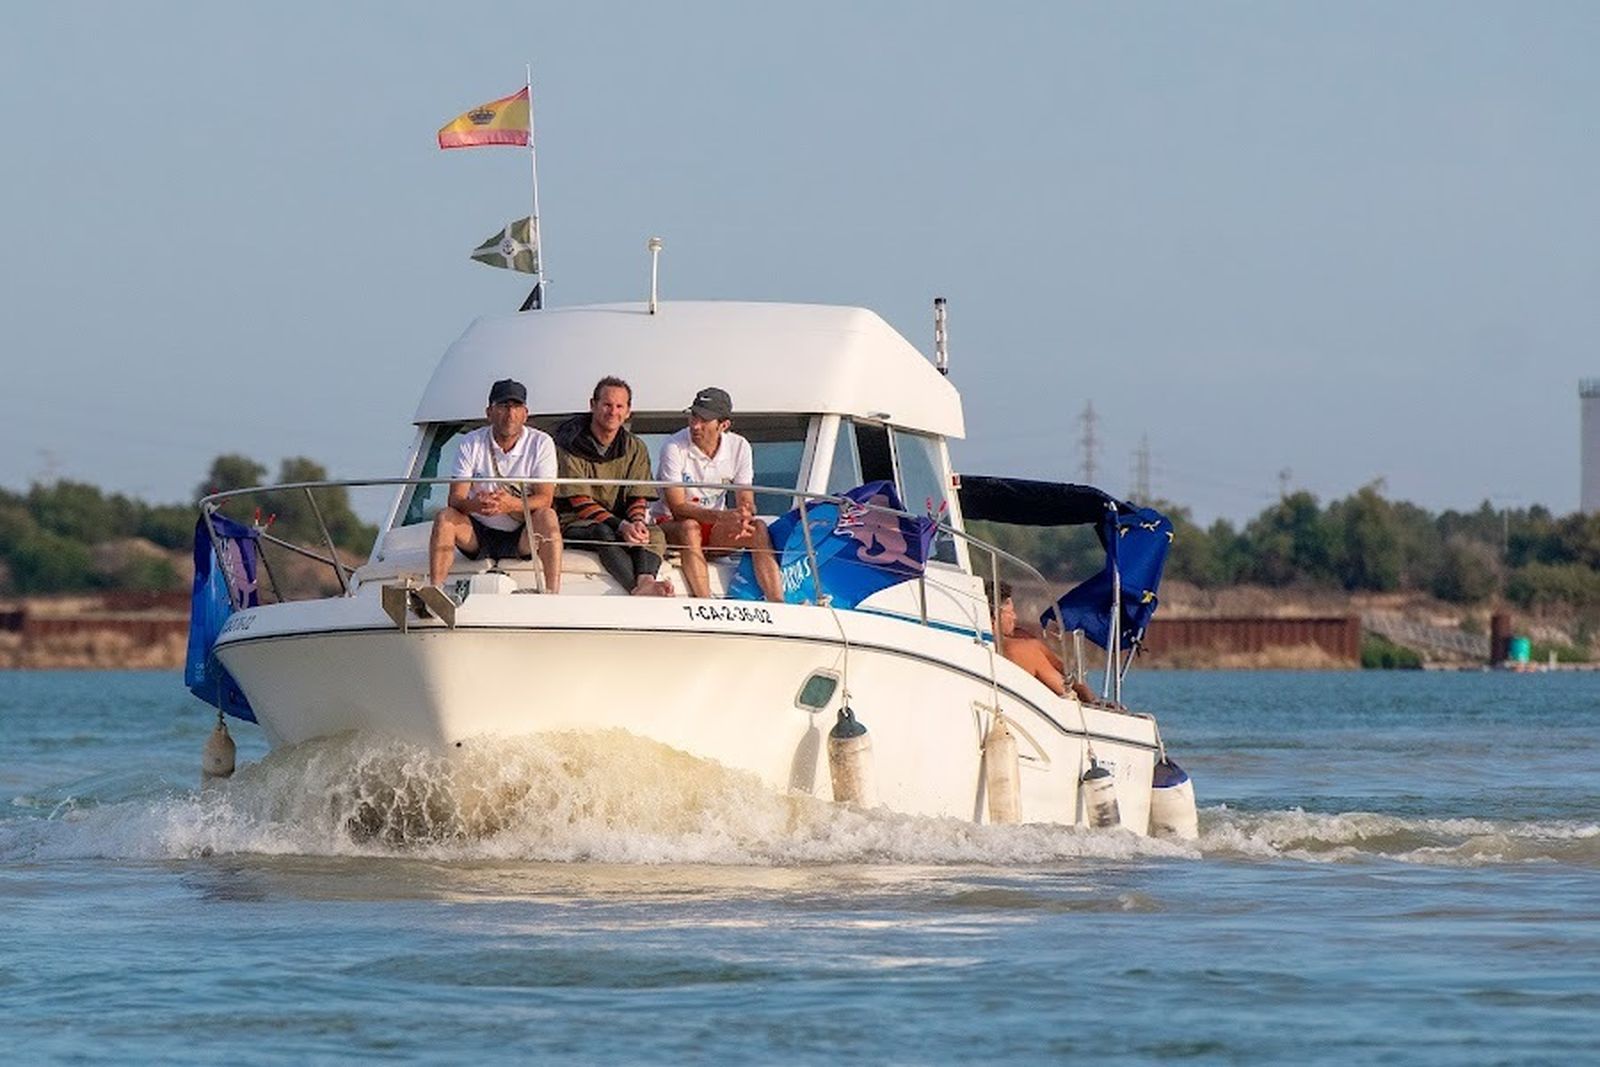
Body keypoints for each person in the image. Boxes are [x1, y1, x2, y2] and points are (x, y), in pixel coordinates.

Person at [427, 378, 562, 607]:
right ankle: (435, 593)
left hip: (522, 533)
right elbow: (456, 498)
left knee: (548, 516)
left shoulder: (541, 443)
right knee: (444, 517)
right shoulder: (471, 442)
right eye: (503, 406)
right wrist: (477, 505)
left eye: (516, 407)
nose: (510, 414)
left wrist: (511, 505)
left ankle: (552, 595)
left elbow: (545, 498)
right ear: (489, 412)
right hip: (477, 534)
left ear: (525, 413)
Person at [652, 387, 784, 602]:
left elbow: (746, 498)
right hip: (672, 524)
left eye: (704, 419)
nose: (695, 425)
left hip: (712, 529)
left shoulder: (740, 446)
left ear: (723, 425)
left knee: (757, 527)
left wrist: (744, 514)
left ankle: (778, 603)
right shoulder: (673, 446)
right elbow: (677, 507)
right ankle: (705, 604)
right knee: (689, 527)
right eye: (694, 416)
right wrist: (723, 517)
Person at [553, 376, 673, 596]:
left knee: (655, 534)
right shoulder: (568, 443)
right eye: (607, 405)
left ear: (628, 411)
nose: (613, 412)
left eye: (620, 406)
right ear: (593, 405)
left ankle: (646, 580)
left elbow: (638, 496)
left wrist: (636, 523)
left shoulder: (635, 447)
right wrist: (622, 526)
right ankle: (638, 588)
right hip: (576, 521)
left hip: (620, 521)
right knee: (602, 532)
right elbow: (578, 500)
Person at [993, 582, 1098, 704]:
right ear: (995, 615)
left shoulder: (974, 649)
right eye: (1010, 612)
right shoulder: (1023, 649)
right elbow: (1066, 693)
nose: (1015, 617)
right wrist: (1092, 701)